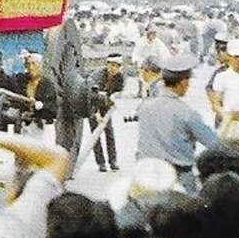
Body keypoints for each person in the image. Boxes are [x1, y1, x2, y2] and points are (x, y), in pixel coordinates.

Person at [135, 55, 222, 192]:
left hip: (146, 176)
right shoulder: (186, 113)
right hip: (178, 177)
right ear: (183, 83)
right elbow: (214, 143)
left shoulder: (144, 108)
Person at [88, 54, 126, 173]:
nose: (114, 68)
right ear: (107, 65)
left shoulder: (120, 77)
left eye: (117, 66)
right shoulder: (97, 77)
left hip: (105, 102)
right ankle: (101, 162)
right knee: (96, 133)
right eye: (112, 65)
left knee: (109, 132)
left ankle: (113, 160)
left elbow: (116, 92)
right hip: (90, 103)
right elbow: (91, 97)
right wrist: (96, 114)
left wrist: (112, 101)